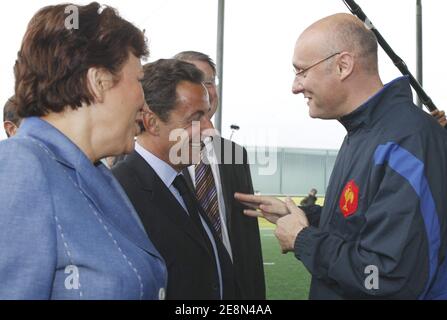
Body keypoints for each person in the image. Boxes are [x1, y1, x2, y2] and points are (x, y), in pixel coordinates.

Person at [235, 13, 447, 299]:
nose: (295, 86)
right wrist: (301, 215)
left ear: (343, 65)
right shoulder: (365, 133)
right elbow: (358, 224)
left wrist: (303, 239)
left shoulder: (406, 142)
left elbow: (384, 277)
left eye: (301, 71)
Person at [0, 2, 167, 299]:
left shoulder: (96, 175)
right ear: (98, 82)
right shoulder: (20, 167)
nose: (144, 102)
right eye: (139, 81)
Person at [112, 59, 236, 299]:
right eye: (194, 118)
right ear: (152, 122)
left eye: (208, 116)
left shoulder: (180, 181)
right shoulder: (120, 192)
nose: (209, 130)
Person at [174, 51, 265, 299]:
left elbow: (247, 238)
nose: (206, 90)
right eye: (194, 80)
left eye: (210, 82)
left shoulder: (235, 154)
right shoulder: (154, 153)